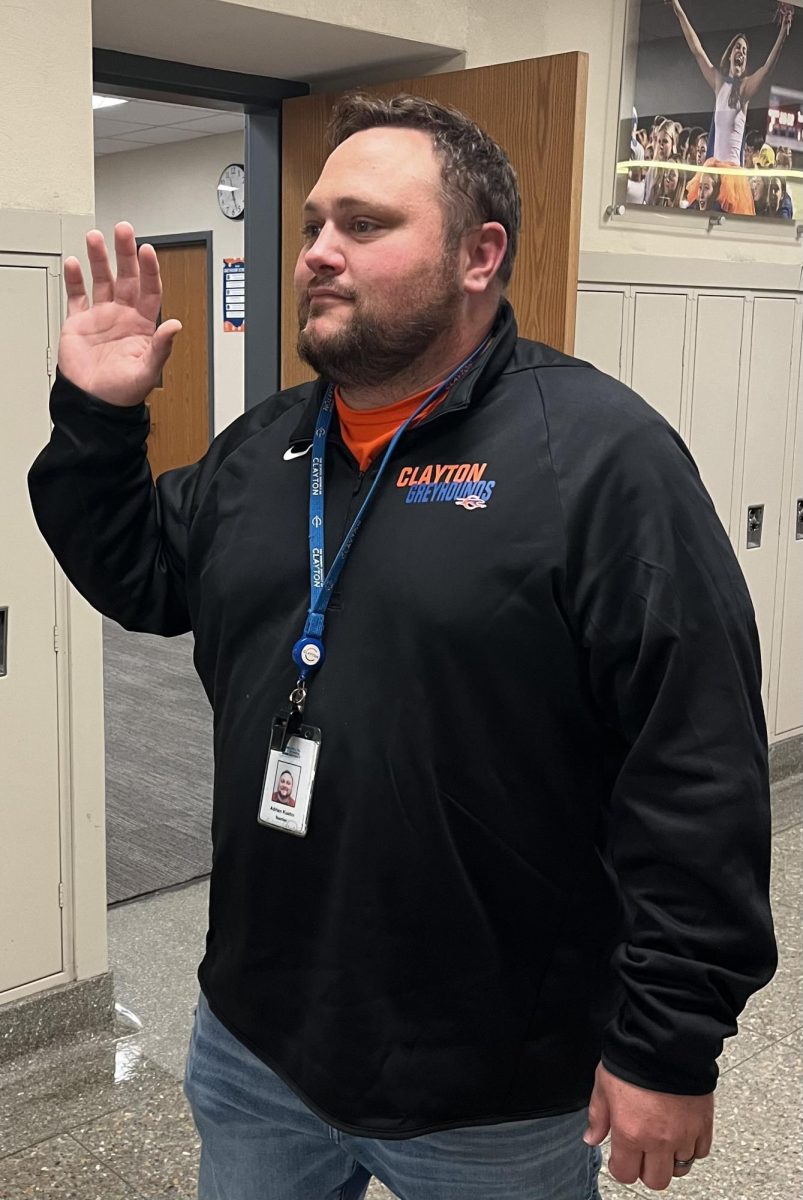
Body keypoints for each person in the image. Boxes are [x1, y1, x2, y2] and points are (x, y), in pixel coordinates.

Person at [27, 92, 776, 1200]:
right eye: (315, 224)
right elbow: (141, 575)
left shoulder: (598, 458)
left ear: (480, 256)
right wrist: (97, 422)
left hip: (497, 1083)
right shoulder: (266, 448)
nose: (317, 252)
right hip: (257, 1046)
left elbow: (695, 762)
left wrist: (666, 1040)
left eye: (365, 226)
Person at [669, 0, 793, 214]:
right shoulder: (719, 83)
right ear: (730, 53)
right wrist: (677, 8)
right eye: (738, 47)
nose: (742, 52)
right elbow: (697, 50)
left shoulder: (744, 90)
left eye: (745, 50)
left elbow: (766, 68)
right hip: (713, 169)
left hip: (732, 177)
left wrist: (783, 31)